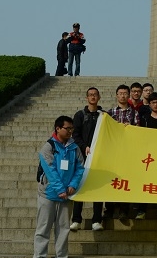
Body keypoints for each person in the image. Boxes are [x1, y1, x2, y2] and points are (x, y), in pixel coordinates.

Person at [34, 115, 85, 258]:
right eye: (67, 128)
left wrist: (73, 185)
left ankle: (62, 255)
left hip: (67, 195)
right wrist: (60, 189)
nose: (70, 131)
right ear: (58, 128)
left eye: (71, 128)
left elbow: (80, 168)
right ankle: (39, 255)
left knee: (63, 229)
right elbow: (50, 170)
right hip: (48, 194)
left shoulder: (74, 148)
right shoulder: (48, 147)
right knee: (43, 228)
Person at [69, 88, 105, 232]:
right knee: (80, 187)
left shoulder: (104, 115)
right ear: (86, 98)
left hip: (98, 158)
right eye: (90, 95)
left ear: (99, 97)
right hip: (82, 157)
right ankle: (76, 219)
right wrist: (84, 147)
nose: (93, 97)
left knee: (98, 188)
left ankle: (97, 220)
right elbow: (75, 135)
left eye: (95, 95)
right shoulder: (79, 115)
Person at [106, 84, 139, 224]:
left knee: (125, 181)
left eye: (126, 93)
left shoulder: (134, 113)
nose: (123, 95)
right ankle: (109, 208)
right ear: (116, 95)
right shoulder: (110, 112)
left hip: (127, 152)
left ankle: (124, 210)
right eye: (120, 93)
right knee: (110, 180)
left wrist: (129, 128)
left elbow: (137, 130)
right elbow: (106, 130)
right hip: (113, 151)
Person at [136, 92, 157, 220]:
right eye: (153, 103)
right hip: (147, 156)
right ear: (149, 104)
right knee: (145, 182)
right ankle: (141, 210)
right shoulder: (144, 118)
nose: (155, 105)